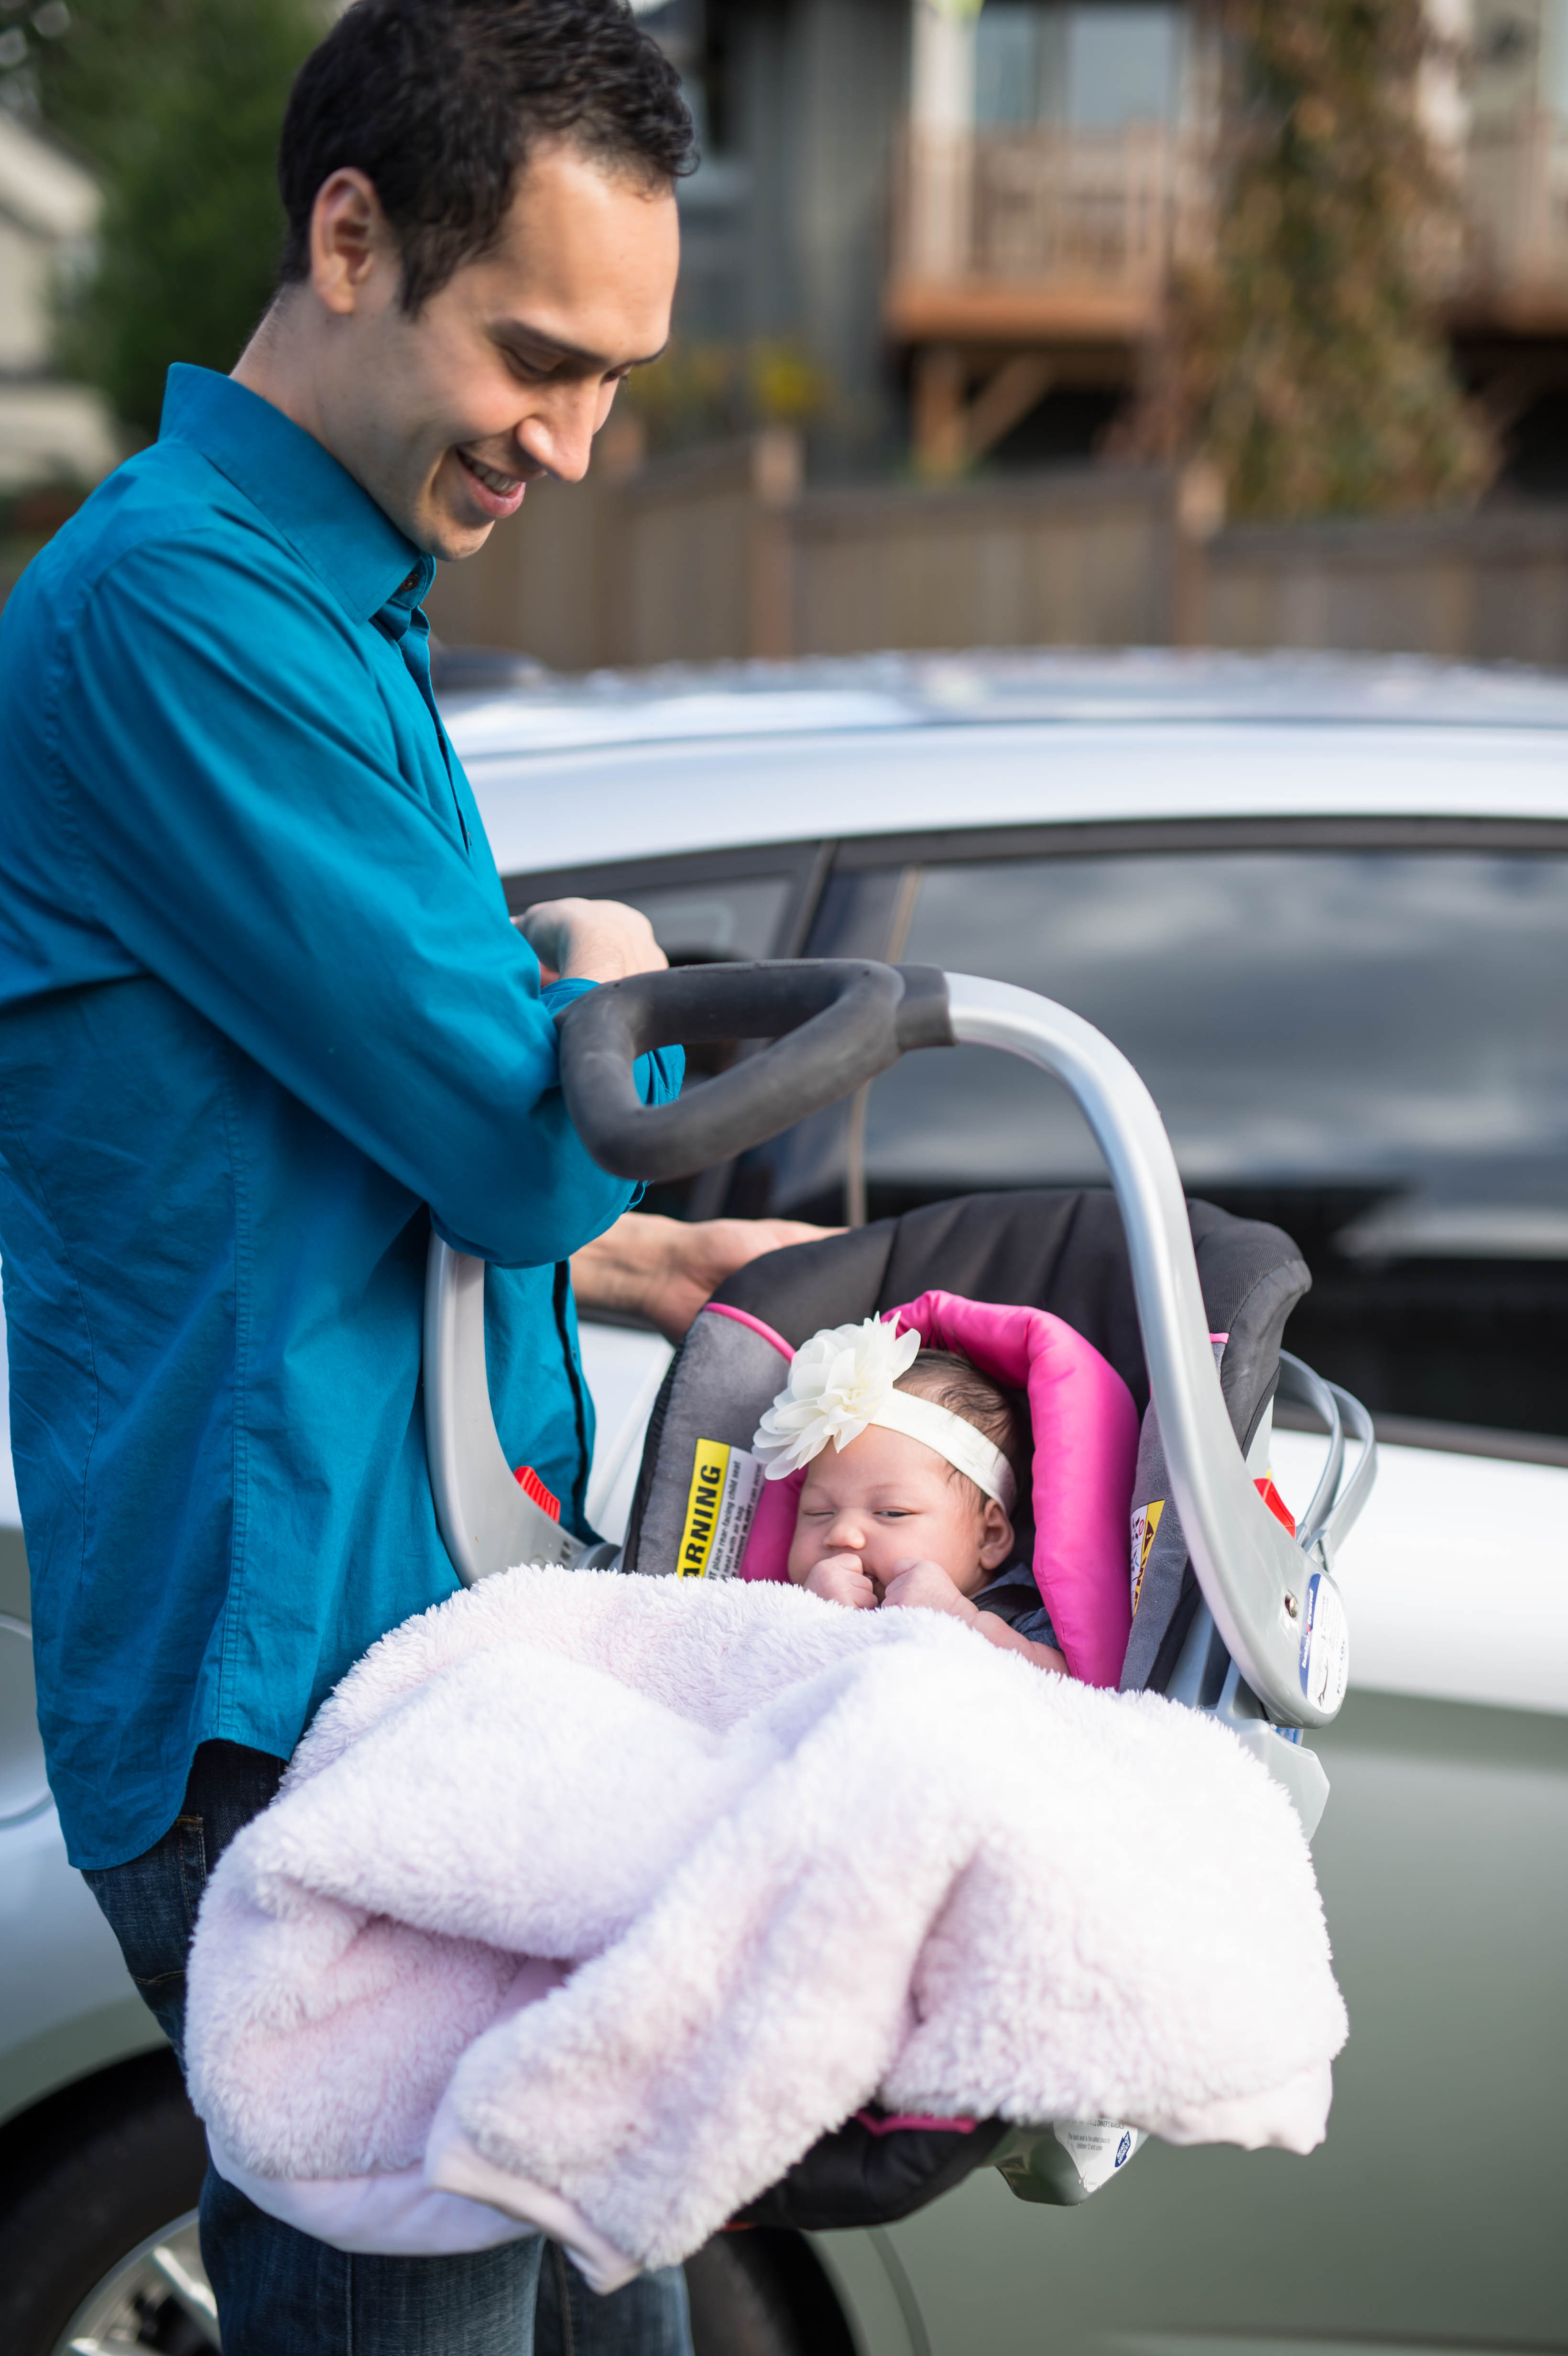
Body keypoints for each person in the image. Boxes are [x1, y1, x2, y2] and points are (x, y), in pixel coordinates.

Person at [0, 1, 817, 2347]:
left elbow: (373, 1146)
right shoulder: (182, 610)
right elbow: (502, 1124)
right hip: (306, 1712)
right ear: (349, 237)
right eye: (538, 357)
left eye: (617, 384)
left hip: (434, 1664)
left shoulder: (328, 597)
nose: (570, 439)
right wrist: (611, 966)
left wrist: (640, 1238)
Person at [756, 1319, 1069, 1673]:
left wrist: (962, 1620)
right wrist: (812, 1621)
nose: (841, 1534)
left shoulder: (1025, 1616)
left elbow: (1062, 1693)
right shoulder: (783, 1607)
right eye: (818, 1512)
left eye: (891, 1513)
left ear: (990, 1536)